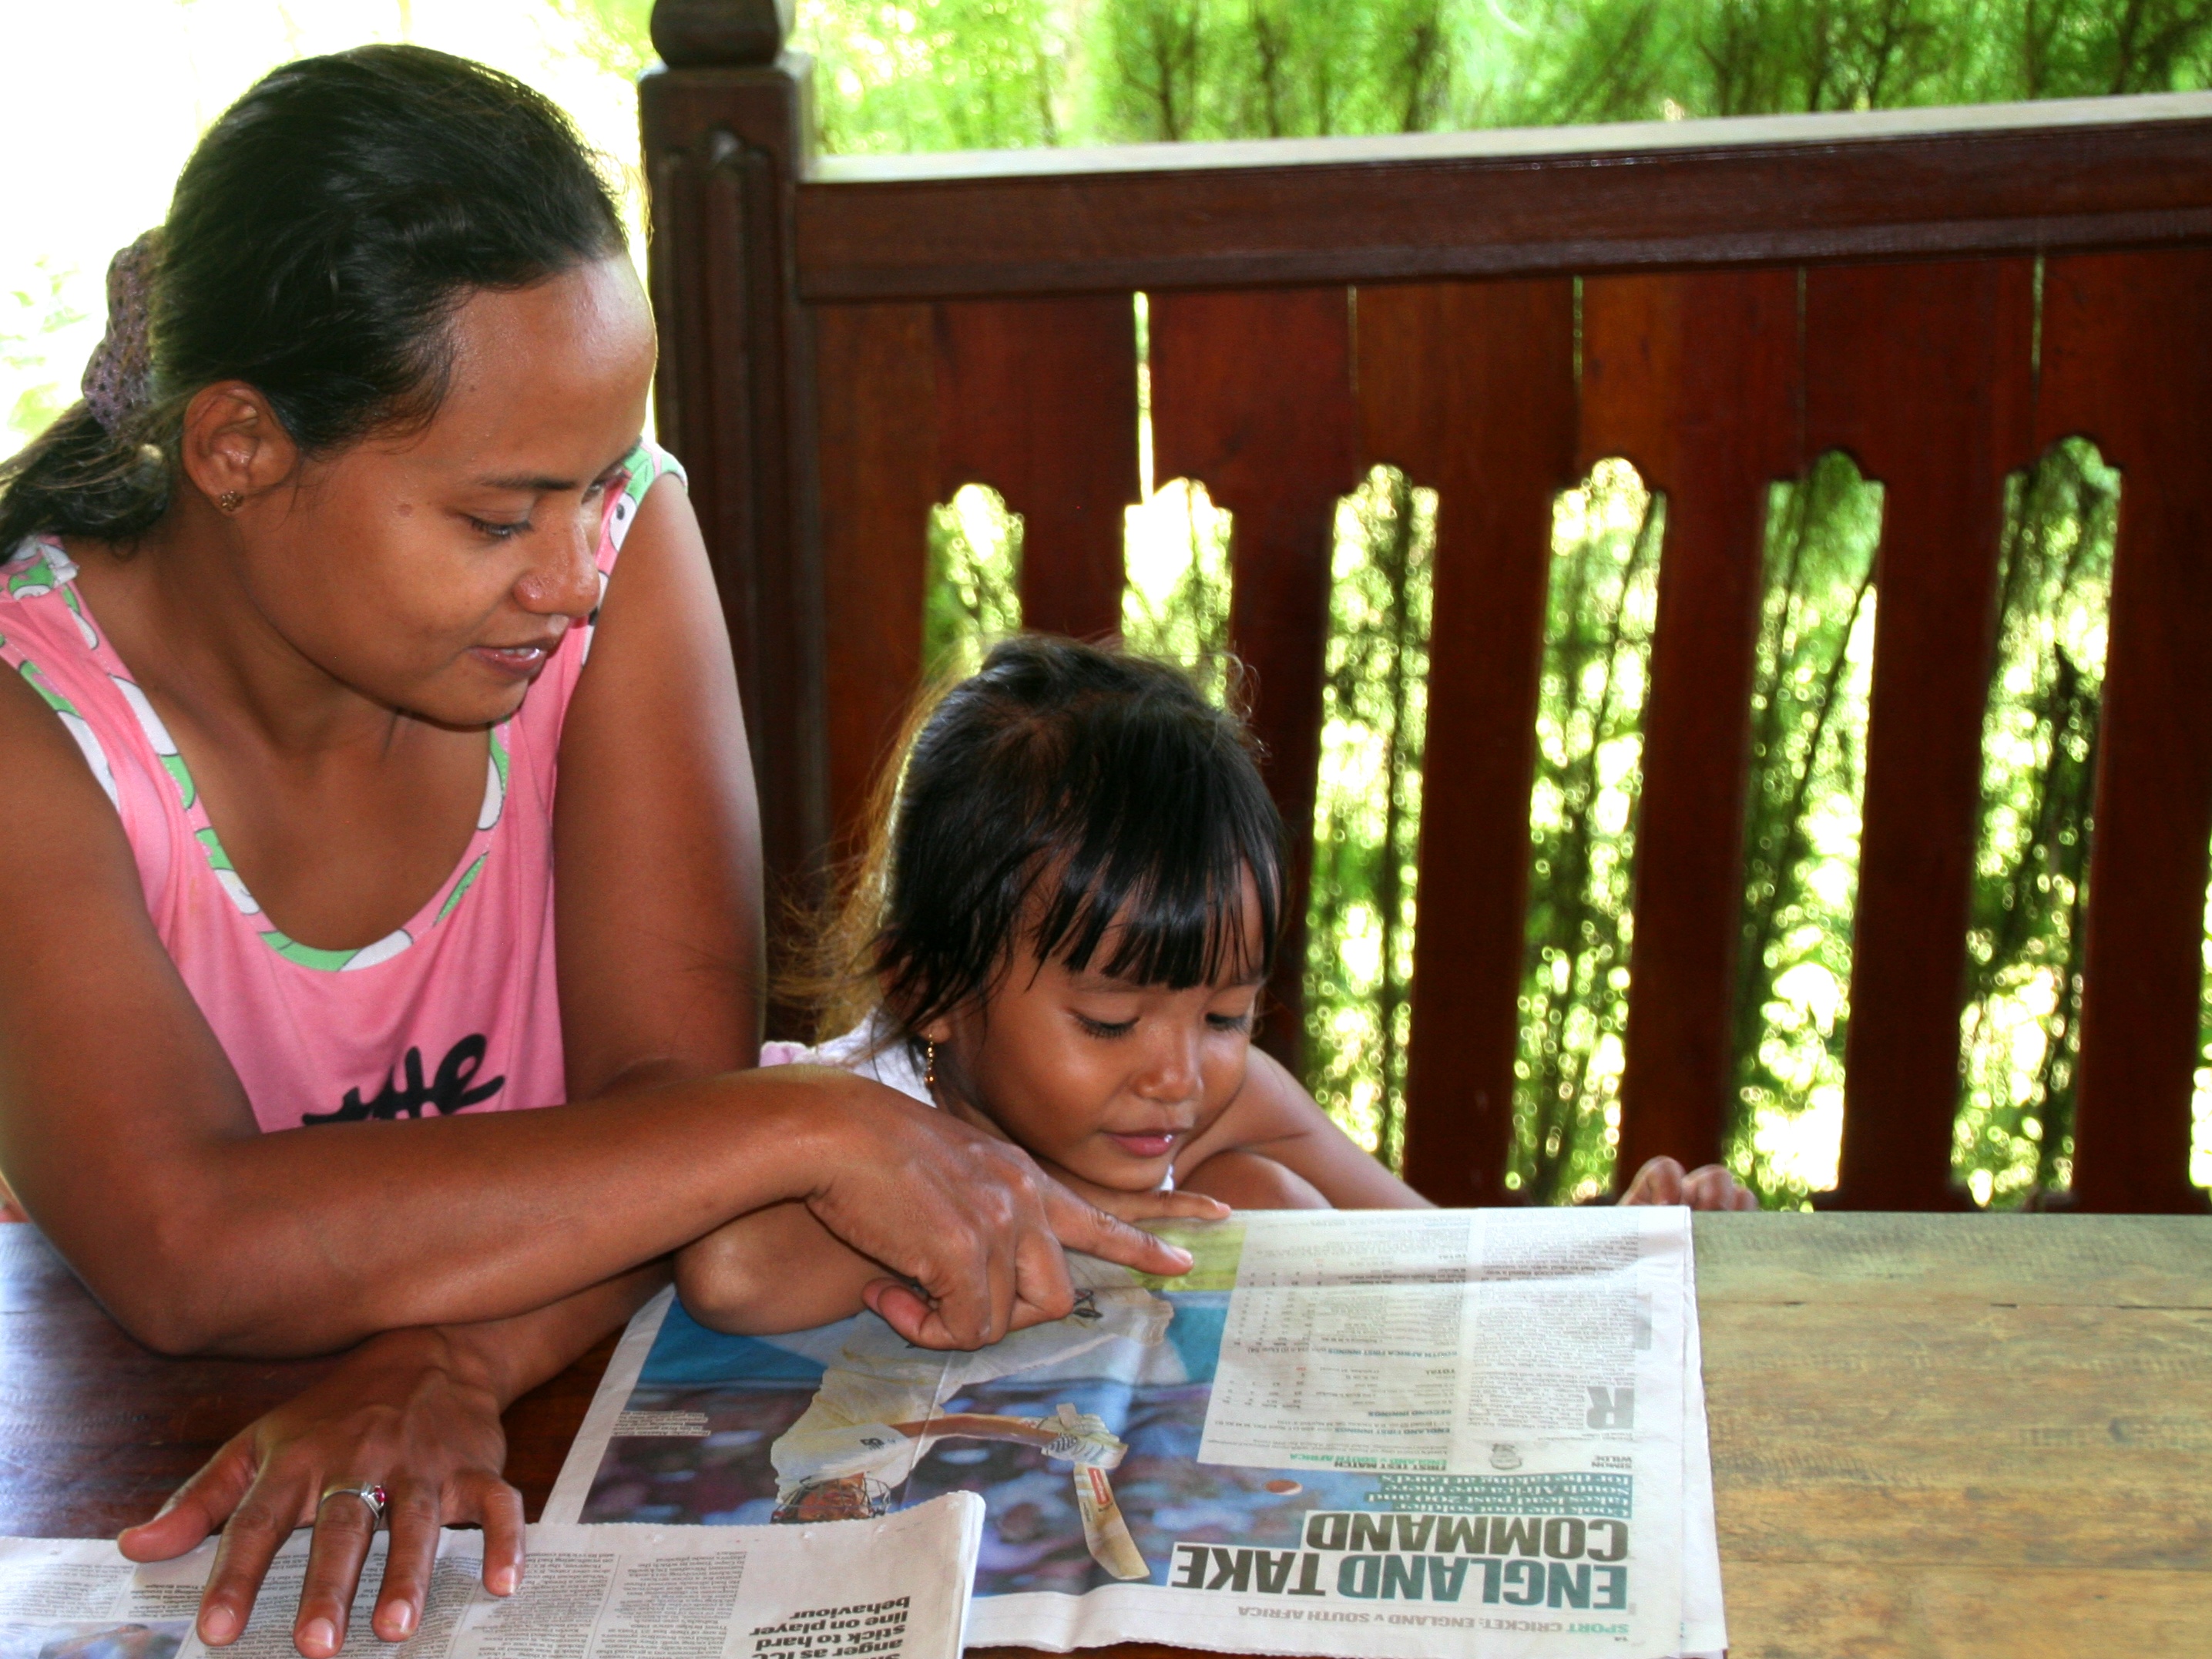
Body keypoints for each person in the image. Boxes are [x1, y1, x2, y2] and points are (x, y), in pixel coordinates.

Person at [0, 47, 1188, 1659]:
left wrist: (456, 1358)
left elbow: (671, 1116)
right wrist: (798, 1123)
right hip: (167, 1458)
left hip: (528, 1402)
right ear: (236, 448)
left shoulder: (617, 551)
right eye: (499, 519)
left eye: (601, 485)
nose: (573, 573)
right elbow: (190, 1247)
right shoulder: (38, 732)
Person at [674, 640, 1756, 1336]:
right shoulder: (866, 1114)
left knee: (1264, 1200)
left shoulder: (1223, 1103)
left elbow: (1434, 1254)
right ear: (931, 992)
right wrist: (1067, 1209)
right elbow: (726, 1272)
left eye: (1227, 1012)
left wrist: (1611, 1251)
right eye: (1109, 1020)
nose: (1181, 1075)